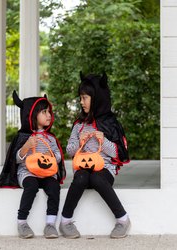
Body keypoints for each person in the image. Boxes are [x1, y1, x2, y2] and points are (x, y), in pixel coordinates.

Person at [59, 72, 130, 239]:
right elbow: (69, 150)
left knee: (97, 178)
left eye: (85, 98)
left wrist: (103, 141)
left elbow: (118, 154)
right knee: (82, 177)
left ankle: (122, 219)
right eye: (80, 98)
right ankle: (65, 221)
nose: (81, 102)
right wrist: (79, 144)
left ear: (97, 98)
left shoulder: (110, 124)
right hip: (83, 168)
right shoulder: (79, 125)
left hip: (105, 170)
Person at [0, 91, 66, 239]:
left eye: (49, 112)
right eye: (44, 112)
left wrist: (52, 156)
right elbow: (16, 159)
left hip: (47, 173)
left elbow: (58, 156)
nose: (49, 115)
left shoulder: (50, 138)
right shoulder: (23, 137)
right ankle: (22, 222)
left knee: (54, 188)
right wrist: (26, 147)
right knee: (31, 187)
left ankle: (50, 224)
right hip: (28, 172)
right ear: (33, 115)